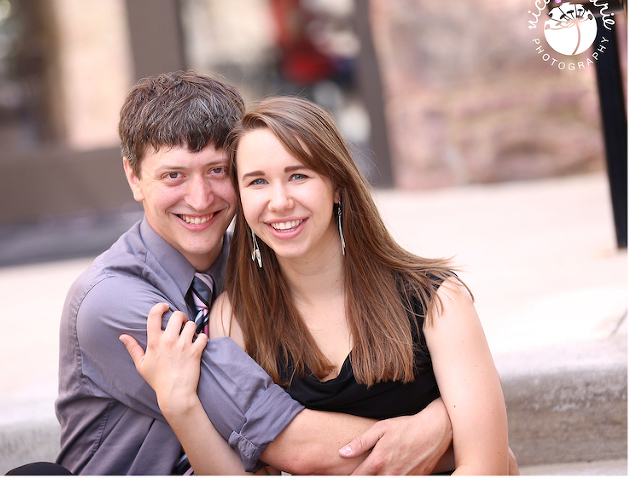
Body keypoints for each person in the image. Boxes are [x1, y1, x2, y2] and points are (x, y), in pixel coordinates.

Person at [56, 72, 455, 475]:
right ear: (134, 177)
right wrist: (450, 438)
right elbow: (285, 438)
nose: (199, 198)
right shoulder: (110, 301)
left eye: (217, 171)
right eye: (173, 175)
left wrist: (441, 420)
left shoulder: (255, 272)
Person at [122, 96, 517, 474]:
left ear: (338, 187)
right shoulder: (235, 319)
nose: (279, 201)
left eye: (298, 176)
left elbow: (488, 468)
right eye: (257, 182)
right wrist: (180, 407)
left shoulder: (437, 301)